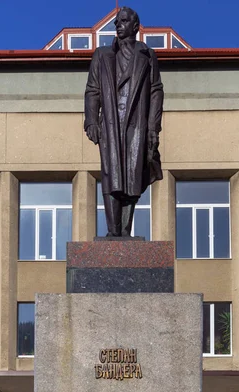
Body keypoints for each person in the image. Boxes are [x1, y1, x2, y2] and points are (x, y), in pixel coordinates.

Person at [84, 7, 164, 237]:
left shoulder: (147, 55)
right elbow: (92, 90)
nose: (118, 25)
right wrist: (91, 121)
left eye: (124, 21)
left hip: (136, 123)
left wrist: (152, 127)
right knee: (110, 174)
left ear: (135, 26)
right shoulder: (102, 55)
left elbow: (156, 90)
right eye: (117, 22)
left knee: (133, 176)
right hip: (110, 122)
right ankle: (113, 231)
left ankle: (125, 233)